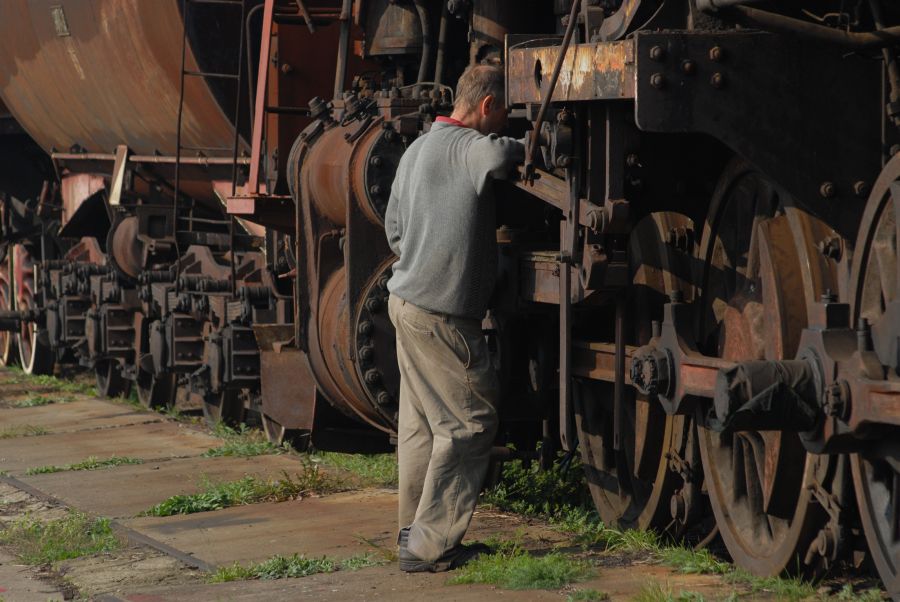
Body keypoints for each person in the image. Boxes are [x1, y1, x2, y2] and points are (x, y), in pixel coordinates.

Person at [384, 64, 525, 573]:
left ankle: (411, 532)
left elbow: (394, 231)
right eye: (505, 112)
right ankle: (430, 546)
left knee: (422, 426)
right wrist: (524, 142)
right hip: (443, 316)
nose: (505, 122)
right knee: (470, 423)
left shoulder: (416, 150)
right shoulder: (469, 148)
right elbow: (503, 155)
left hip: (405, 304)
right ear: (487, 106)